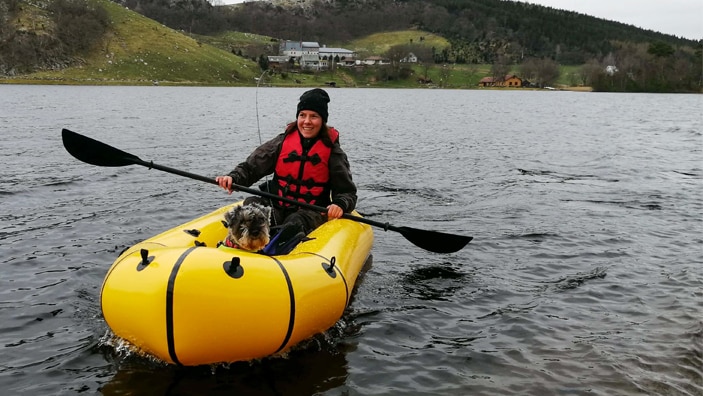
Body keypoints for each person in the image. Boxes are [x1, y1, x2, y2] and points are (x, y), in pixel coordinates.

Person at [215, 88, 357, 242]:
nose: (307, 121)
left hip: (310, 211)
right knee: (251, 206)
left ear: (322, 120)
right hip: (277, 206)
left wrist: (339, 204)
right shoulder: (282, 142)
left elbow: (347, 192)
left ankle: (276, 248)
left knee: (294, 222)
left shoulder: (333, 152)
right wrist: (233, 178)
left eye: (314, 116)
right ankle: (243, 243)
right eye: (302, 115)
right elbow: (251, 168)